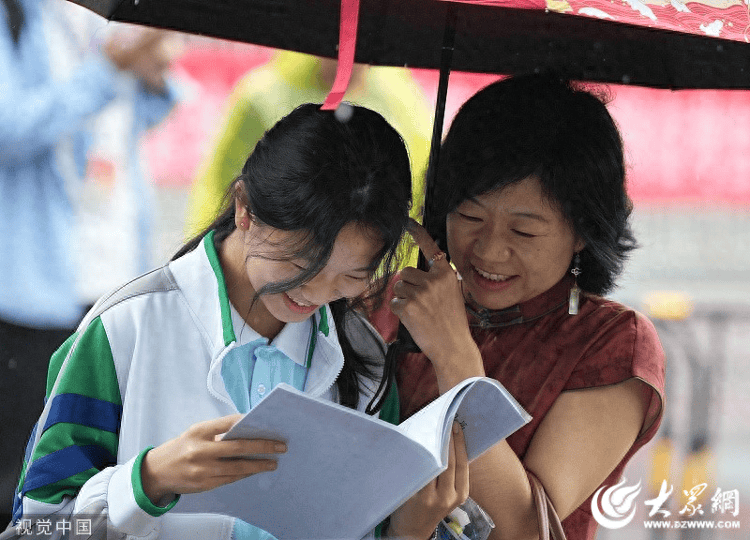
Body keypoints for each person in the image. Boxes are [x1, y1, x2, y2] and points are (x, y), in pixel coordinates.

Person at [9, 103, 469, 540]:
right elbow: (32, 529)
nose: (315, 294)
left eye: (350, 276)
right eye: (299, 262)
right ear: (245, 207)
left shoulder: (364, 360)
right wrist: (146, 481)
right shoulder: (124, 331)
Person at [371, 74, 666, 540]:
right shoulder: (391, 302)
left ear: (584, 233)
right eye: (469, 217)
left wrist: (455, 358)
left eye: (523, 232)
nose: (488, 251)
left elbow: (525, 528)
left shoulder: (611, 343)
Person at [0, 0, 177, 524]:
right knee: (17, 465)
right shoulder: (19, 13)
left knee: (84, 459)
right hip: (30, 291)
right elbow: (10, 128)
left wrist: (147, 71)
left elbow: (125, 122)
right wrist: (110, 67)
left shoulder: (96, 13)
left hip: (106, 277)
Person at [185, 49, 432, 238]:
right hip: (277, 267)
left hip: (370, 277)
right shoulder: (262, 97)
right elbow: (221, 190)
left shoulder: (405, 104)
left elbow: (418, 199)